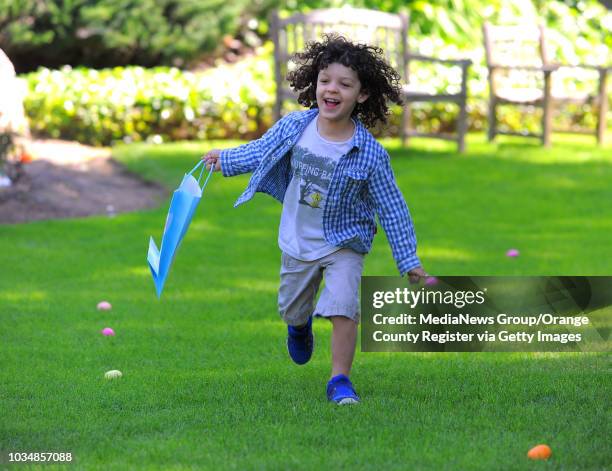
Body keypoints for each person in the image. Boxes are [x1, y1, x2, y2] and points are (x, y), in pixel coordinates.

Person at [202, 34, 427, 405]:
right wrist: (224, 160)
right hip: (298, 240)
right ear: (314, 84)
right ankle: (299, 326)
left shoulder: (369, 154)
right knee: (291, 308)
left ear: (363, 95)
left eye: (344, 84)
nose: (332, 89)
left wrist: (409, 259)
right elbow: (261, 150)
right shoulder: (296, 127)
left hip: (345, 243)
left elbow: (392, 206)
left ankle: (340, 379)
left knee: (343, 305)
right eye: (325, 80)